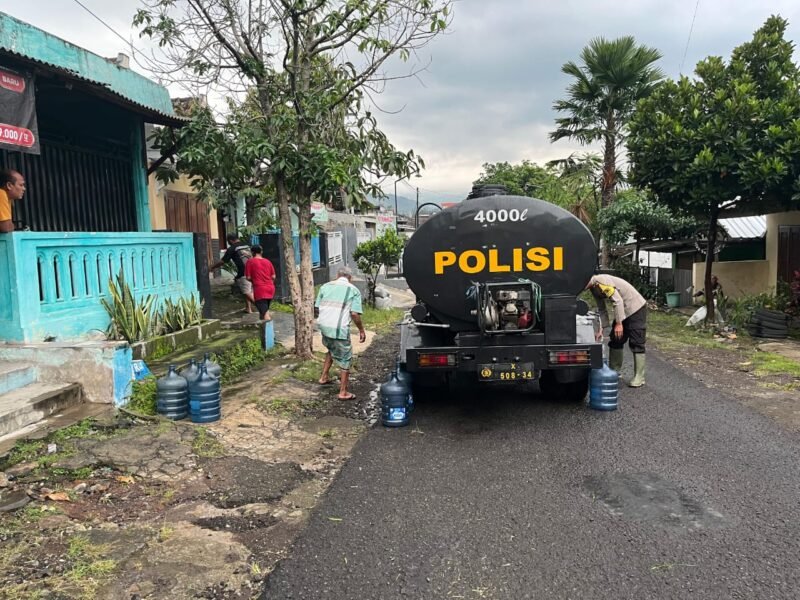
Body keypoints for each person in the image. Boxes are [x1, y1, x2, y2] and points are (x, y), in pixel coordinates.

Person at [586, 273, 648, 387]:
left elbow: (618, 301)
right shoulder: (593, 288)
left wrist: (619, 324)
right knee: (616, 339)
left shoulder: (601, 282)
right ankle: (614, 371)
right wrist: (601, 329)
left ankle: (640, 377)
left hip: (636, 307)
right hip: (623, 309)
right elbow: (601, 308)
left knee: (636, 341)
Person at [315, 266, 366, 400]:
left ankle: (324, 377)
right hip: (339, 329)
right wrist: (361, 329)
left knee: (331, 349)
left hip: (324, 327)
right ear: (350, 278)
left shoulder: (325, 286)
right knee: (345, 358)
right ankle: (343, 392)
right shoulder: (353, 290)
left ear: (337, 275)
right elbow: (354, 314)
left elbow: (317, 307)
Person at [210, 233, 255, 313]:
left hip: (244, 272)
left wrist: (212, 267)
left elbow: (223, 261)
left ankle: (261, 307)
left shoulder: (232, 248)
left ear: (230, 240)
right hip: (254, 269)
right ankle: (248, 308)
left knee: (246, 291)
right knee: (249, 290)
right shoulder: (247, 245)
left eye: (228, 241)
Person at [244, 245, 276, 320]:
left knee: (265, 314)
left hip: (260, 289)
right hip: (270, 288)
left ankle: (269, 331)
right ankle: (263, 330)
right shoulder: (268, 261)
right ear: (261, 252)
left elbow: (248, 277)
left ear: (252, 252)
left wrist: (255, 280)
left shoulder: (250, 262)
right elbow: (273, 276)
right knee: (263, 311)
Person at [0, 169, 26, 233]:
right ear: (9, 185)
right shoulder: (1, 194)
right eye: (21, 185)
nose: (24, 189)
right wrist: (12, 226)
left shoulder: (8, 199)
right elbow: (6, 227)